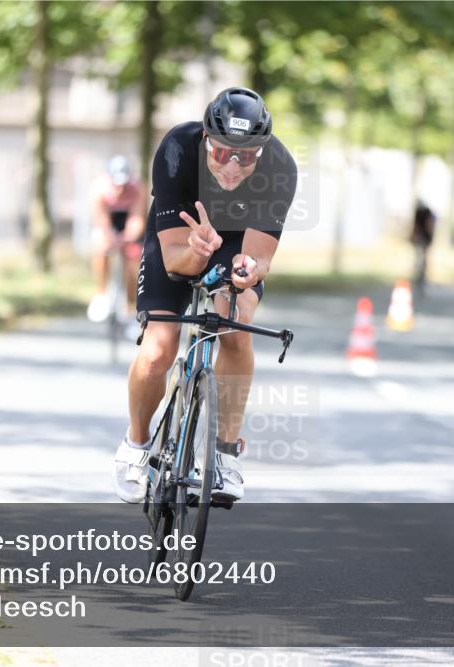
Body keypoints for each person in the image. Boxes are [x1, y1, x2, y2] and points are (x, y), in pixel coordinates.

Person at [112, 87, 298, 504]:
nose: (233, 166)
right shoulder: (177, 149)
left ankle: (225, 454)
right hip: (181, 238)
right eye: (221, 154)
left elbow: (259, 258)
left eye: (246, 156)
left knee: (236, 324)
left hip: (237, 241)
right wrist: (196, 252)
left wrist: (247, 272)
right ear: (205, 142)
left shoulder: (281, 168)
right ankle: (136, 444)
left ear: (262, 153)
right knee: (159, 349)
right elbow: (176, 261)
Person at [86, 156, 146, 323]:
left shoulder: (137, 189)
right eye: (116, 183)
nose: (120, 188)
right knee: (101, 248)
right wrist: (110, 238)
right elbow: (100, 220)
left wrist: (129, 237)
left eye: (123, 184)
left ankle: (130, 304)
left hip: (127, 220)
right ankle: (101, 294)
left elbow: (137, 218)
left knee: (134, 257)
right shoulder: (99, 188)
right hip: (108, 222)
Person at [410, 201, 436, 296]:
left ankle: (420, 278)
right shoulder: (421, 212)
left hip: (423, 239)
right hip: (421, 239)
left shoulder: (424, 212)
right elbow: (426, 225)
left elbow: (428, 225)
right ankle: (418, 278)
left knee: (421, 261)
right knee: (420, 261)